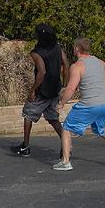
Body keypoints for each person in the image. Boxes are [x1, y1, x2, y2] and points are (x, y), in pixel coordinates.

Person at [53, 38, 105, 171]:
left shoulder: (77, 66)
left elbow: (71, 88)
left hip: (88, 104)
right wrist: (101, 96)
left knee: (66, 128)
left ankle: (65, 162)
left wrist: (61, 103)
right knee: (100, 128)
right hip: (103, 103)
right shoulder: (101, 63)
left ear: (76, 48)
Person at [11, 24, 69, 157]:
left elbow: (42, 72)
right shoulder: (58, 48)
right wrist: (65, 85)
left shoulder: (36, 53)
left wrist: (32, 90)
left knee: (28, 114)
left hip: (42, 91)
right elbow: (65, 64)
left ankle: (25, 146)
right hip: (55, 89)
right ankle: (66, 145)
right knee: (53, 118)